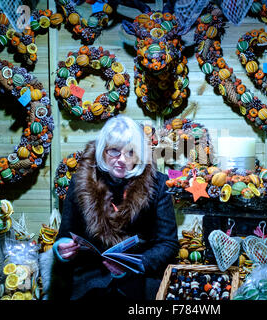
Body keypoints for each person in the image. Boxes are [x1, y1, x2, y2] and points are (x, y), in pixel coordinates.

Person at [48, 115, 179, 300]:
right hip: (90, 279)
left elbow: (168, 244)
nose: (122, 160)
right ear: (103, 151)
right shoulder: (81, 183)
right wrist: (61, 249)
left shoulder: (158, 185)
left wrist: (136, 265)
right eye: (114, 151)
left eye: (130, 152)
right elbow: (65, 235)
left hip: (139, 279)